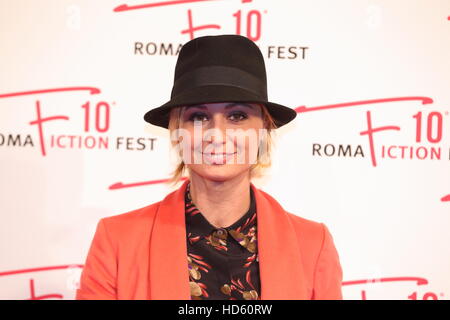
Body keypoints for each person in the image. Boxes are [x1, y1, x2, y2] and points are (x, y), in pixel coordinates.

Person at [75, 34, 343, 300]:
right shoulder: (117, 241)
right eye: (198, 117)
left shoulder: (313, 245)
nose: (216, 135)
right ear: (177, 131)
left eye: (237, 116)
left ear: (263, 129)